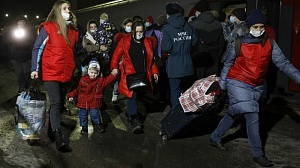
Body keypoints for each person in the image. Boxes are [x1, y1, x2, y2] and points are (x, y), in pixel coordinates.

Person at [209, 10, 300, 167]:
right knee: (252, 115)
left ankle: (215, 137)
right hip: (237, 82)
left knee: (234, 112)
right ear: (249, 27)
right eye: (255, 26)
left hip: (256, 85)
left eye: (261, 26)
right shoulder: (238, 43)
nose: (259, 30)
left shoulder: (270, 44)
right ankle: (258, 154)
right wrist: (222, 84)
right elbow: (228, 64)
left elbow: (283, 63)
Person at [31, 0, 78, 152]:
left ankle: (52, 130)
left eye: (69, 8)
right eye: (64, 8)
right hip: (51, 72)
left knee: (58, 104)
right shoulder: (48, 27)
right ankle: (58, 137)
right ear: (57, 11)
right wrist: (34, 68)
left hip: (66, 74)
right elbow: (38, 47)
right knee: (56, 103)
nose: (68, 11)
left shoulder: (73, 30)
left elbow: (74, 52)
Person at [110, 20, 159, 134]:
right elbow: (116, 56)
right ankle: (133, 119)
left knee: (138, 95)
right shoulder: (125, 41)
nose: (139, 33)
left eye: (141, 31)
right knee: (132, 95)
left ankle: (130, 112)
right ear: (132, 31)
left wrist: (155, 72)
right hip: (130, 75)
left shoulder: (147, 42)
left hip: (143, 74)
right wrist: (114, 68)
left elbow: (151, 61)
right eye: (137, 31)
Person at [161, 2, 198, 109]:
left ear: (168, 13)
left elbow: (167, 48)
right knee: (186, 91)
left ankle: (177, 117)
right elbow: (194, 41)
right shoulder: (187, 25)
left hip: (174, 65)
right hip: (188, 63)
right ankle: (188, 112)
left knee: (175, 92)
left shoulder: (167, 29)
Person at [68, 58, 117, 133]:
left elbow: (108, 80)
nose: (93, 74)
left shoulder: (100, 81)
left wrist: (113, 74)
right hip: (83, 101)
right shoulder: (82, 80)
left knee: (95, 114)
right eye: (91, 72)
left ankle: (98, 124)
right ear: (88, 71)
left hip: (94, 102)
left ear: (98, 73)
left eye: (95, 73)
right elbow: (76, 88)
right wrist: (71, 95)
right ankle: (84, 127)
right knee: (82, 115)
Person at [189, 1, 225, 80]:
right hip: (214, 56)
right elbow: (221, 43)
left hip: (199, 57)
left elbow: (191, 43)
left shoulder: (193, 24)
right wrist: (217, 56)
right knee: (211, 83)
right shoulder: (218, 24)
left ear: (199, 11)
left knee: (198, 84)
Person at [111, 18, 133, 102]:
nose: (129, 27)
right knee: (118, 78)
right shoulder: (119, 37)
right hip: (121, 61)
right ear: (124, 26)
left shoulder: (134, 36)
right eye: (128, 26)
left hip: (130, 62)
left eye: (131, 26)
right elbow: (116, 51)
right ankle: (115, 93)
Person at [10, 17, 35, 94]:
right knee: (19, 73)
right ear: (17, 23)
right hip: (16, 57)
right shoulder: (13, 31)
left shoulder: (29, 31)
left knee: (27, 73)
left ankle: (29, 87)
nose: (22, 23)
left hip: (26, 57)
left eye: (23, 21)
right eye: (20, 21)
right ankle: (21, 88)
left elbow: (32, 42)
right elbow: (8, 42)